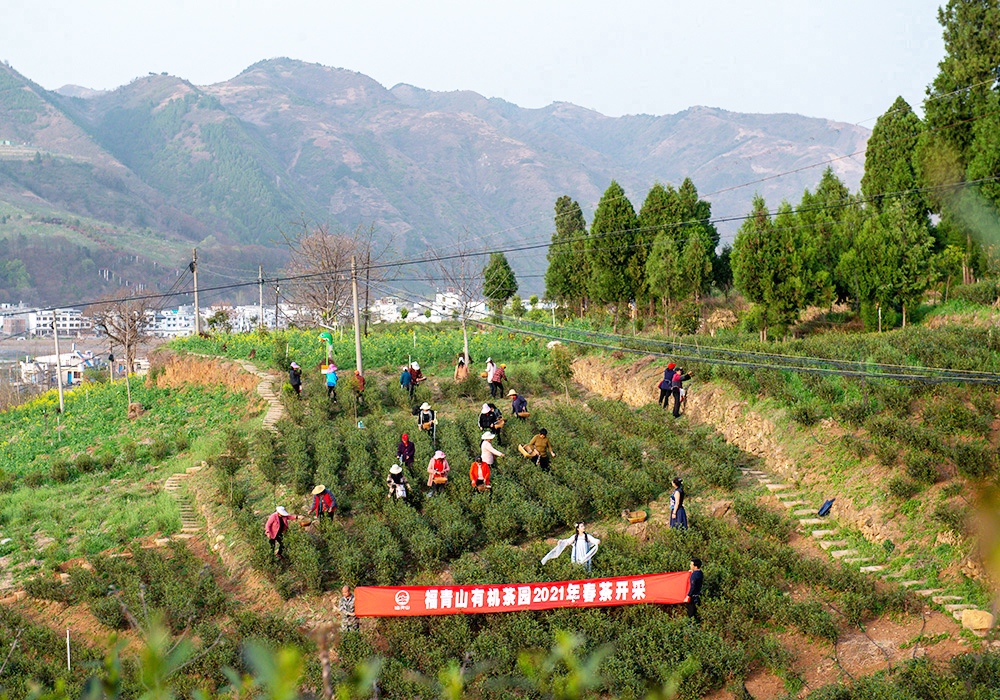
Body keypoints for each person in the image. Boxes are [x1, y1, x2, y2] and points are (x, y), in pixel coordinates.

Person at [685, 558, 703, 623]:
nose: (690, 566)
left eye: (691, 565)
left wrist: (688, 596)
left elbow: (692, 587)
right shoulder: (700, 573)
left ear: (695, 566)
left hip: (692, 598)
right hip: (697, 597)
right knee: (695, 615)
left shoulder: (694, 575)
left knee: (691, 615)